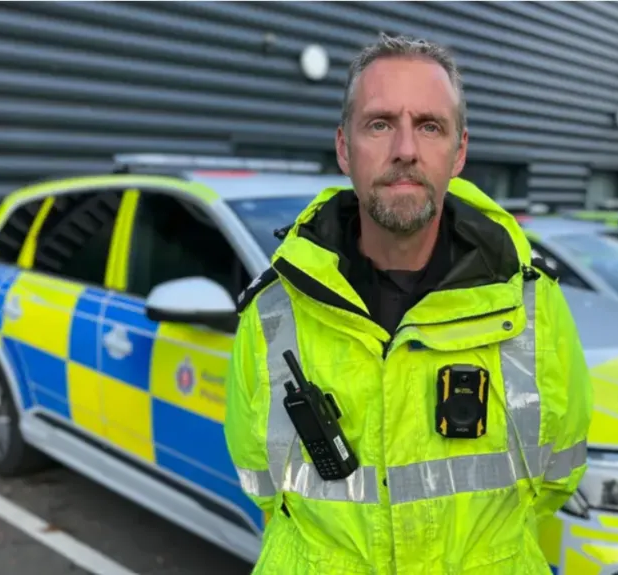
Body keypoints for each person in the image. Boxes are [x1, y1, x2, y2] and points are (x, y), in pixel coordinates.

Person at [224, 33, 593, 574]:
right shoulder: (273, 310)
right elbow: (261, 483)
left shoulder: (533, 302)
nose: (405, 149)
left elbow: (558, 476)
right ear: (344, 148)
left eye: (429, 126)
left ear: (459, 152)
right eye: (379, 124)